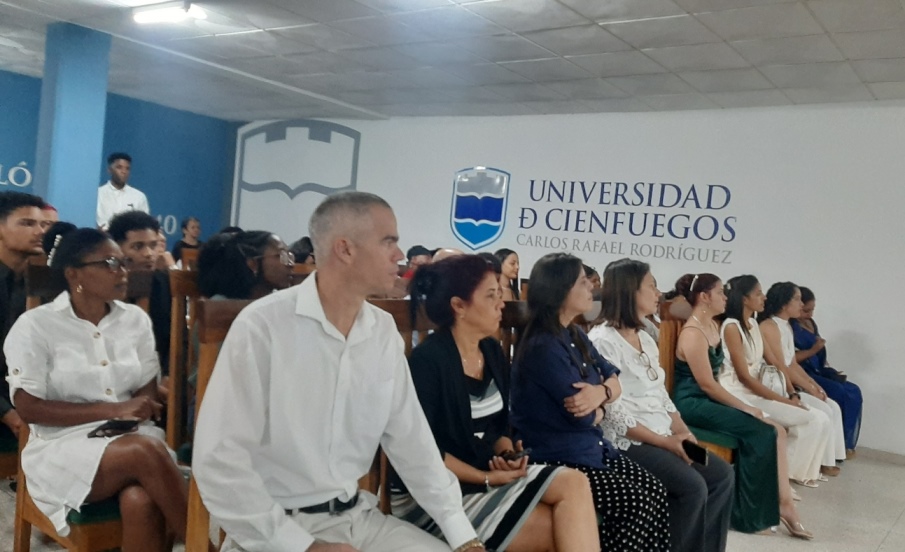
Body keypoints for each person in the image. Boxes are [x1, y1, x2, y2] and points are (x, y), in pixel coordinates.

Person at [192, 192, 486, 552]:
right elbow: (219, 460)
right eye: (388, 242)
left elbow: (413, 445)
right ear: (345, 249)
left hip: (358, 519)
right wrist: (303, 546)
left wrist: (464, 537)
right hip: (275, 528)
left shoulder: (381, 332)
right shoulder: (263, 326)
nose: (399, 255)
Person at [5, 228, 194, 550]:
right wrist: (115, 409)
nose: (122, 272)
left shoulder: (135, 320)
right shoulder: (36, 325)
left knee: (140, 500)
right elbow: (29, 408)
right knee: (145, 452)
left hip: (130, 435)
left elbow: (146, 394)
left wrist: (138, 408)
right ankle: (205, 545)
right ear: (73, 274)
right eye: (109, 263)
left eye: (123, 262)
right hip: (61, 446)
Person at [401, 255, 599, 552]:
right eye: (491, 295)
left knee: (574, 483)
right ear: (459, 306)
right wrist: (485, 477)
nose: (501, 304)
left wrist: (507, 453)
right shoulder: (428, 362)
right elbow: (422, 451)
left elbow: (498, 426)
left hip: (483, 474)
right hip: (435, 494)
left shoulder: (491, 351)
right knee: (558, 527)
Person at [510, 252, 670, 551]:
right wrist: (603, 402)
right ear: (560, 290)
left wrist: (601, 394)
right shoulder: (543, 346)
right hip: (558, 456)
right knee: (636, 504)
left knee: (655, 491)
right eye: (583, 282)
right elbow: (582, 416)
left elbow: (613, 376)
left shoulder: (573, 333)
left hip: (591, 448)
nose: (591, 288)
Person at [588, 258, 734, 552]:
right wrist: (666, 442)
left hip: (663, 433)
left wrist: (683, 432)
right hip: (629, 440)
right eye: (652, 286)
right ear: (630, 291)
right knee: (691, 487)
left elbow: (660, 394)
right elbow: (614, 414)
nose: (658, 293)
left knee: (722, 476)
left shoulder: (645, 337)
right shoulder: (602, 340)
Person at [670, 273, 812, 539]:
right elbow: (707, 384)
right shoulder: (693, 333)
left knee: (772, 429)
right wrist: (746, 407)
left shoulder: (711, 325)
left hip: (709, 399)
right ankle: (748, 514)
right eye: (720, 292)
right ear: (704, 297)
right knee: (762, 430)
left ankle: (783, 504)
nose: (726, 297)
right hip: (693, 402)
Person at [720, 275, 830, 488]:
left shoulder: (753, 323)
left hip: (758, 388)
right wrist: (784, 401)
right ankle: (781, 482)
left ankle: (796, 475)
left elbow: (776, 362)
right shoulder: (732, 327)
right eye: (758, 293)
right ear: (744, 299)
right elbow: (744, 377)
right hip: (739, 392)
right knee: (809, 418)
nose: (764, 297)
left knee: (817, 417)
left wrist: (792, 393)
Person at [759, 282, 847, 474]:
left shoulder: (786, 326)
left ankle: (827, 460)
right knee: (823, 410)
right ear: (784, 304)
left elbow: (792, 363)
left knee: (831, 405)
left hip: (787, 382)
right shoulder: (769, 326)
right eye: (797, 299)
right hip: (775, 385)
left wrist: (813, 385)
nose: (801, 304)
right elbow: (781, 366)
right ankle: (809, 466)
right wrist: (800, 390)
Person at [792, 286, 862, 454]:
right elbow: (789, 359)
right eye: (806, 311)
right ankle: (833, 445)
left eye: (812, 310)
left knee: (853, 391)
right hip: (803, 372)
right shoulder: (790, 327)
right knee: (837, 391)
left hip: (818, 369)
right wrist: (813, 350)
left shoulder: (811, 324)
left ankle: (846, 443)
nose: (810, 315)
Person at [0, 191, 46, 441]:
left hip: (26, 397)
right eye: (27, 223)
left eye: (42, 224)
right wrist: (6, 412)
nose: (39, 231)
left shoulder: (41, 285)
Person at [107, 212, 171, 387]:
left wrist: (168, 374)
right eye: (138, 247)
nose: (149, 254)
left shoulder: (163, 282)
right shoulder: (103, 283)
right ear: (117, 249)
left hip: (157, 374)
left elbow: (174, 338)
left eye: (153, 245)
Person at [197, 231, 295, 300]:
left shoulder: (279, 301)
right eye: (281, 255)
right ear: (253, 263)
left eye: (289, 255)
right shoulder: (220, 306)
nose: (291, 264)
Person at [96, 152, 149, 231]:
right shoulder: (98, 194)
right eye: (119, 167)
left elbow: (144, 225)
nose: (124, 171)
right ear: (109, 170)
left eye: (127, 168)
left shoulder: (139, 197)